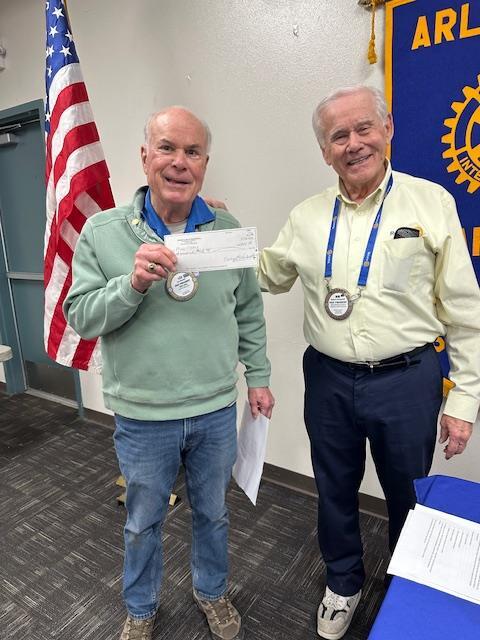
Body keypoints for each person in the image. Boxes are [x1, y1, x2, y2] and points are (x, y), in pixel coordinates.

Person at [257, 85, 480, 640]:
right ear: (324, 151)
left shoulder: (431, 203)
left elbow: (465, 312)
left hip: (408, 379)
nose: (353, 144)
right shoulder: (307, 217)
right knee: (334, 486)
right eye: (339, 136)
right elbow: (268, 274)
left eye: (364, 129)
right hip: (328, 377)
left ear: (387, 130)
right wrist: (216, 237)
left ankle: (406, 586)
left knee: (408, 492)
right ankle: (343, 582)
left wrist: (464, 400)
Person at [64, 106, 274, 640]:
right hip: (143, 416)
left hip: (214, 409)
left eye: (192, 151)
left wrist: (258, 375)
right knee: (142, 522)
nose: (180, 162)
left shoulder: (226, 231)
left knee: (214, 514)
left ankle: (212, 592)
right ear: (145, 157)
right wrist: (131, 284)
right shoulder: (103, 232)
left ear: (205, 163)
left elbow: (248, 311)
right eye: (167, 148)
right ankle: (140, 608)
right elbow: (80, 316)